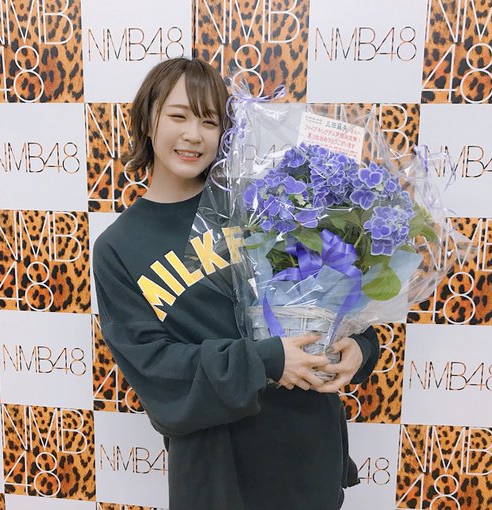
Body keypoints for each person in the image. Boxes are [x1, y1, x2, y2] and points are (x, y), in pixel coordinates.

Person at [92, 57, 379, 510]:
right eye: (179, 116)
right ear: (147, 119)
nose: (193, 135)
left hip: (307, 452)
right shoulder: (118, 248)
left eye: (209, 121)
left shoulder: (260, 203)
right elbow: (156, 368)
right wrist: (265, 361)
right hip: (217, 474)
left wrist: (361, 347)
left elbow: (330, 294)